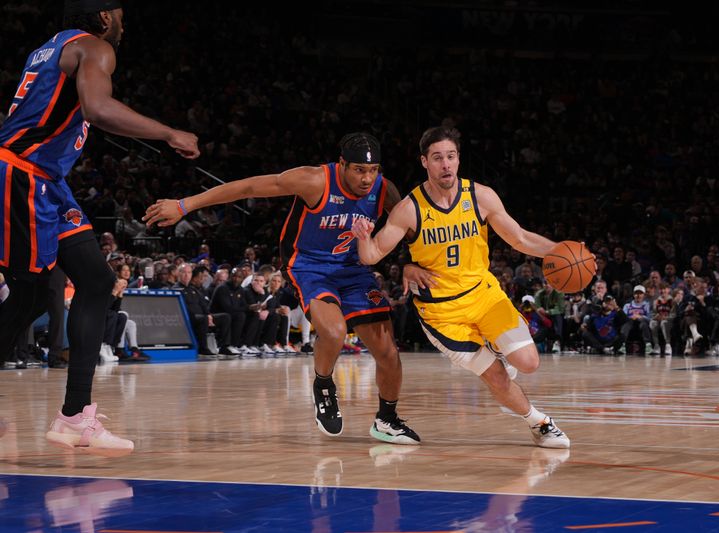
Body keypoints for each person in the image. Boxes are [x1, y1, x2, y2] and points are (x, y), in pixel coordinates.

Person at [0, 0, 199, 456]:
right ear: (104, 17)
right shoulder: (95, 47)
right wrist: (169, 133)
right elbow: (97, 107)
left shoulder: (50, 48)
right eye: (121, 13)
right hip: (22, 174)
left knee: (96, 279)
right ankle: (73, 415)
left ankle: (74, 415)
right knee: (30, 294)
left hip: (47, 180)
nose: (124, 22)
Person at [143, 132, 420, 445]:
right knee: (333, 332)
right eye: (358, 169)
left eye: (372, 170)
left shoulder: (384, 190)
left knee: (388, 351)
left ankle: (386, 419)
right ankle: (324, 384)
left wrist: (411, 262)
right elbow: (248, 187)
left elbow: (412, 229)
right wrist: (184, 204)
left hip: (354, 270)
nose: (367, 178)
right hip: (311, 267)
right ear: (341, 164)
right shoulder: (315, 180)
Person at [350, 126, 571, 448]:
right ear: (424, 162)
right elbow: (371, 255)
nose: (446, 165)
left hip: (484, 295)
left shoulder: (480, 195)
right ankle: (539, 422)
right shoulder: (409, 209)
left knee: (529, 363)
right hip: (443, 314)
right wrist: (362, 237)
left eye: (451, 157)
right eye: (437, 158)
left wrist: (561, 251)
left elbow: (520, 238)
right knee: (495, 376)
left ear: (458, 159)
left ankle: (497, 347)